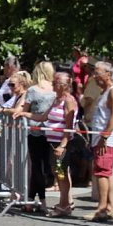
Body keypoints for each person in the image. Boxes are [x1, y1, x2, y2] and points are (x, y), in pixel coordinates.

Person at [16, 72, 77, 217]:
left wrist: (62, 146)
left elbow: (69, 126)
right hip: (52, 142)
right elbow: (43, 117)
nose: (52, 84)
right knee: (58, 173)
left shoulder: (68, 101)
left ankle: (64, 205)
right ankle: (64, 203)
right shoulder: (56, 99)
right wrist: (25, 114)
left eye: (55, 82)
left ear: (64, 85)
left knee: (61, 174)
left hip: (60, 143)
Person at [83, 61, 113, 222]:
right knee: (106, 173)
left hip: (106, 140)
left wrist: (104, 137)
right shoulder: (105, 92)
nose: (95, 76)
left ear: (108, 74)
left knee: (101, 172)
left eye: (97, 73)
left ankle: (102, 208)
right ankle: (109, 207)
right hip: (102, 138)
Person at [21, 61, 56, 213]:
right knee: (44, 166)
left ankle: (41, 200)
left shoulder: (33, 90)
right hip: (52, 131)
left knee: (37, 166)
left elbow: (25, 109)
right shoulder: (54, 90)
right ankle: (31, 199)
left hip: (35, 131)